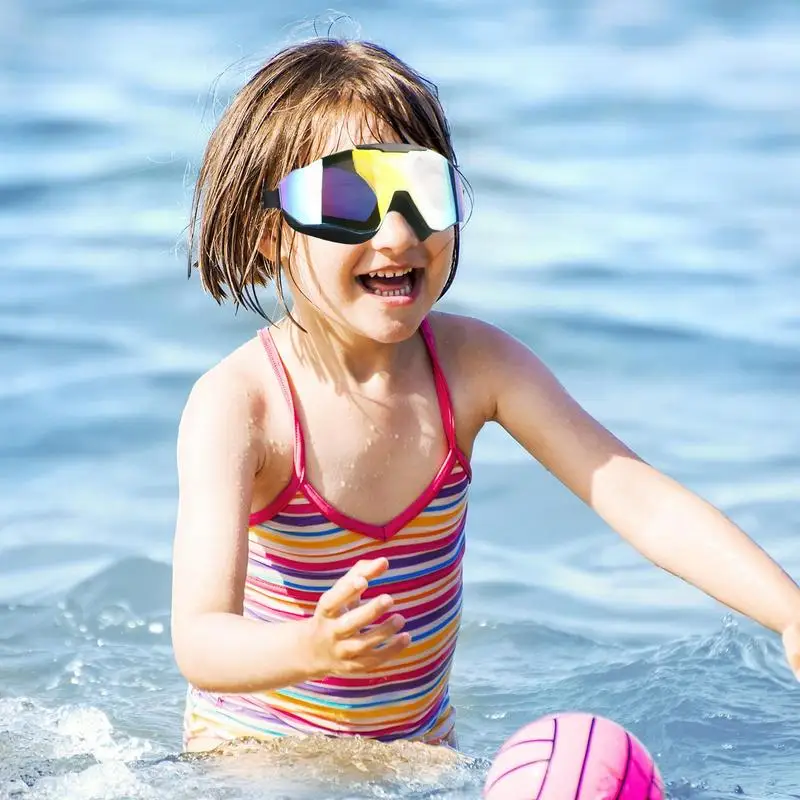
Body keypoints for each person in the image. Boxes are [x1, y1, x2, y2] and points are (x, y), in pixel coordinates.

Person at [170, 37, 800, 754]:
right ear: (268, 233)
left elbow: (639, 500)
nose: (398, 232)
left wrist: (788, 612)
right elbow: (201, 640)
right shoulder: (240, 406)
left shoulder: (475, 367)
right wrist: (310, 649)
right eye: (349, 198)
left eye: (423, 192)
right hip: (257, 752)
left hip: (418, 754)